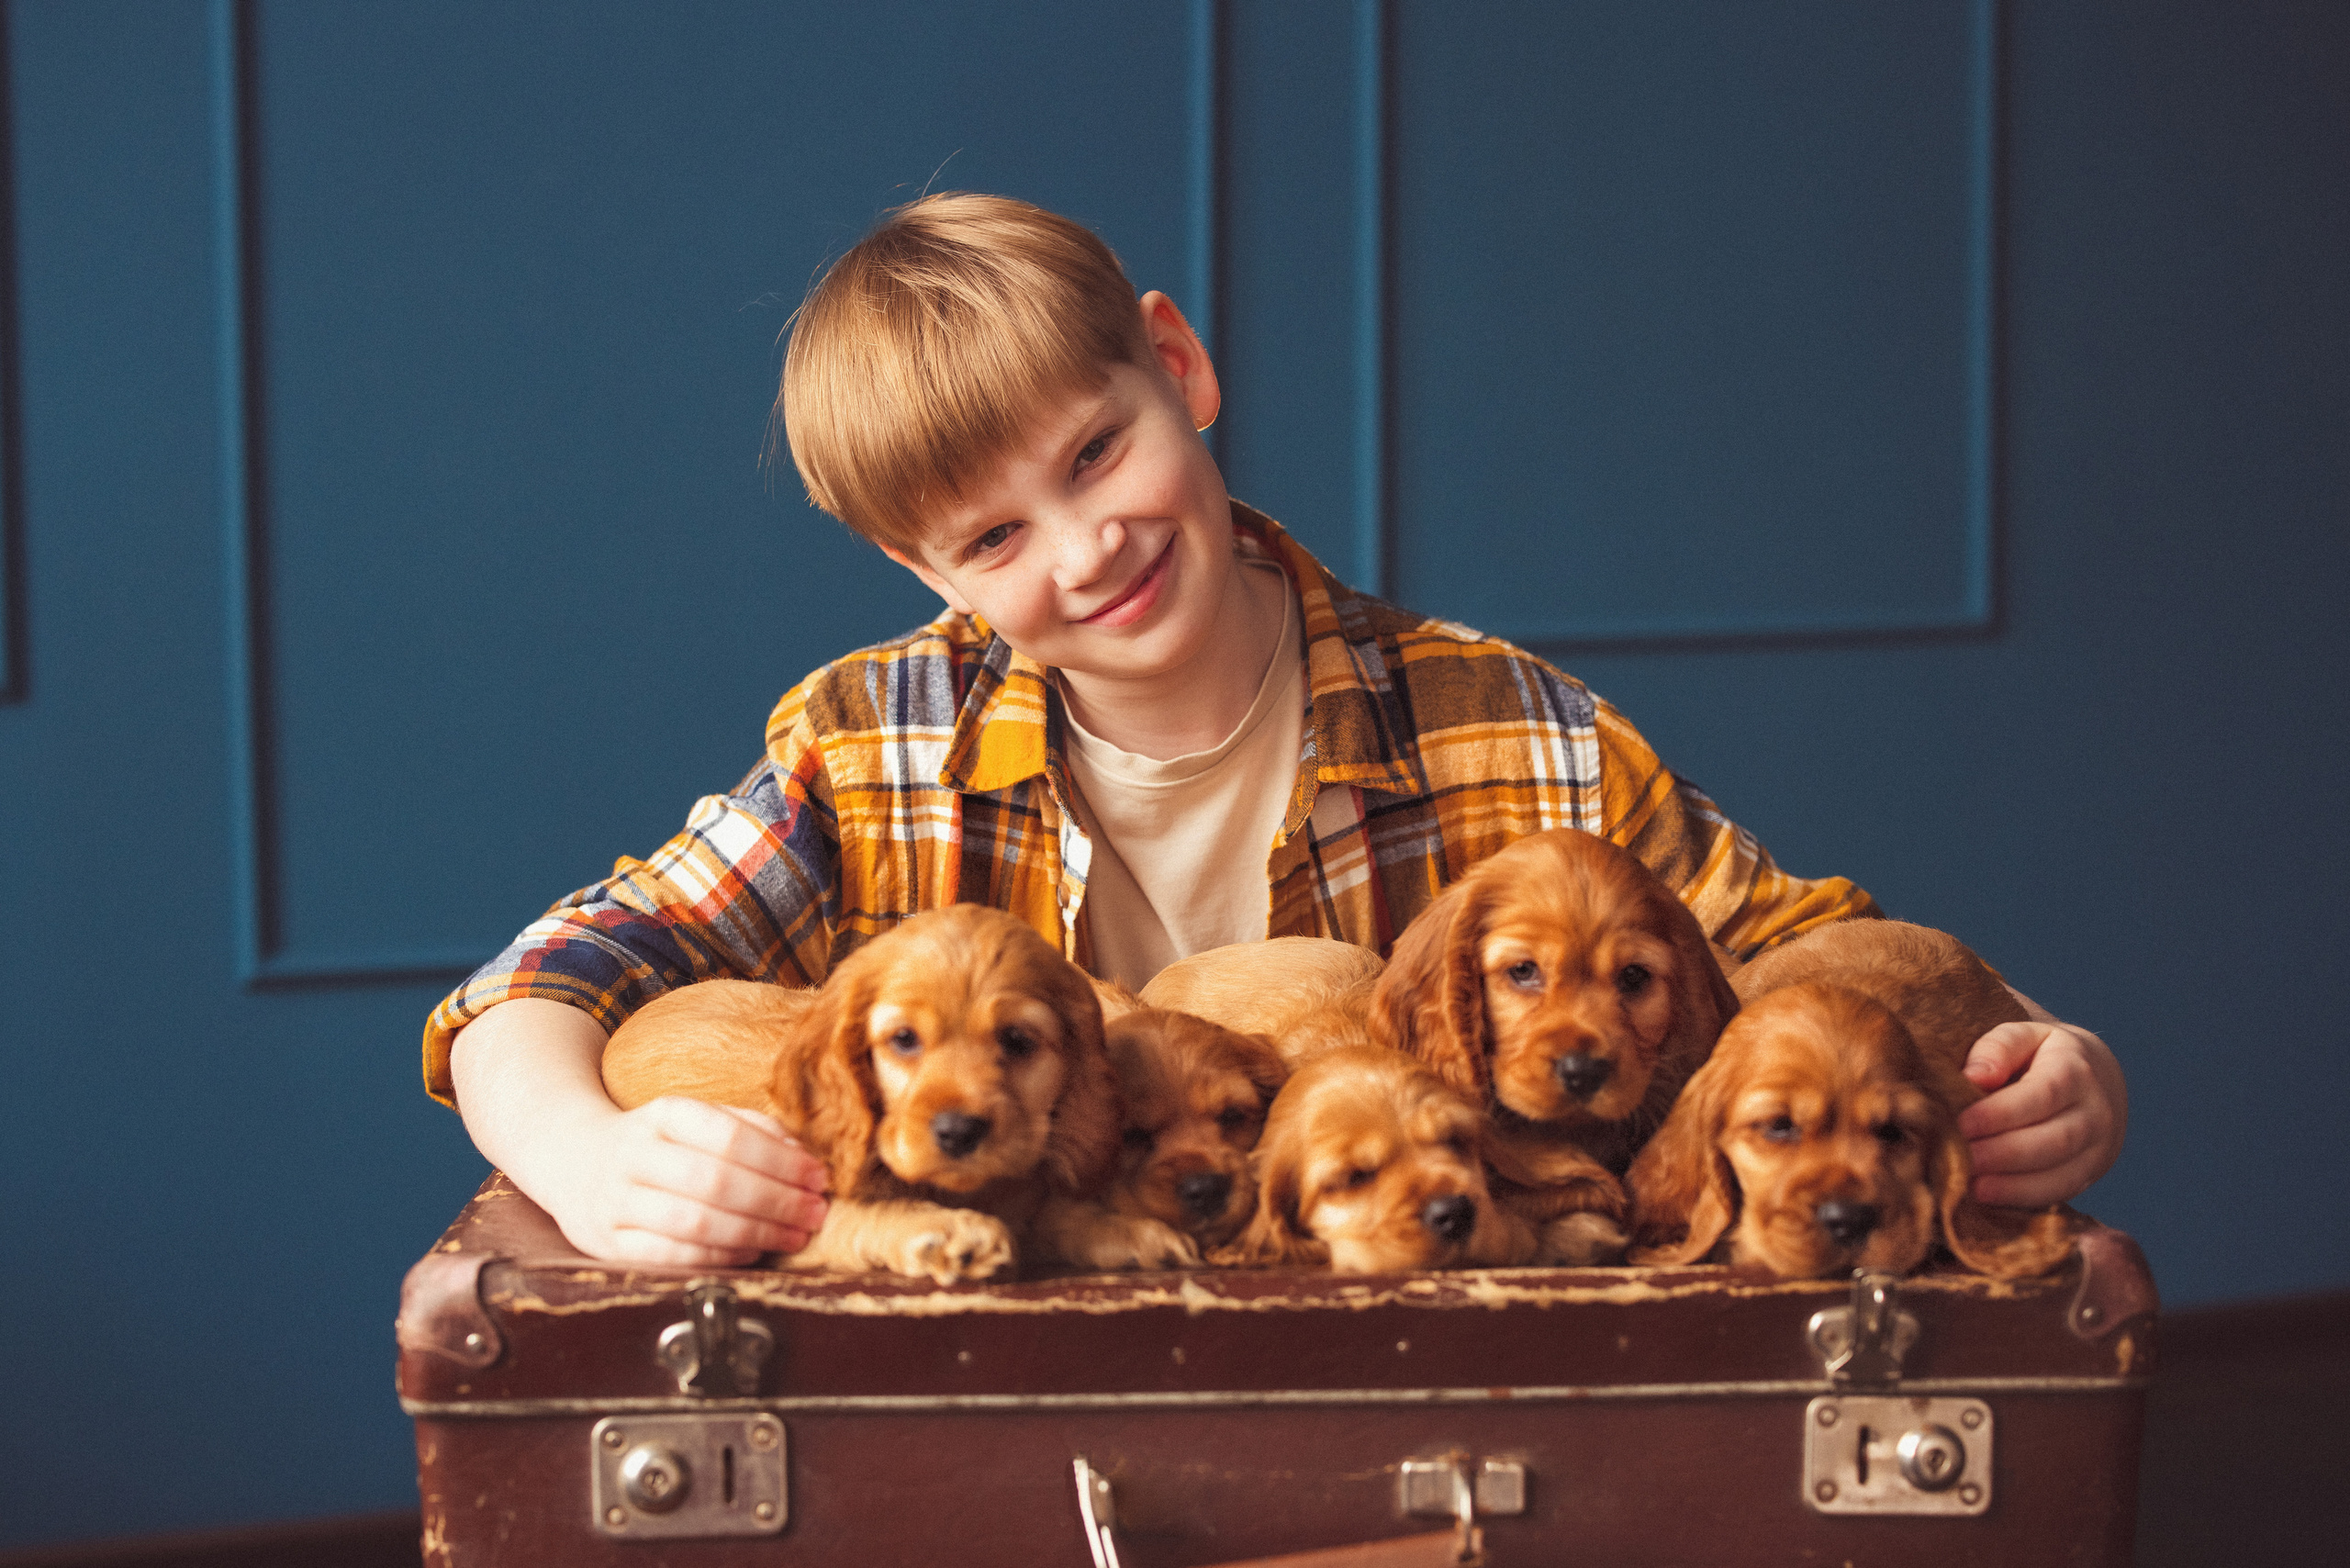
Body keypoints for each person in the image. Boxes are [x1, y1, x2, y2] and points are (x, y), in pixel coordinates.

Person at [426, 194, 2125, 1266]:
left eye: (1098, 454)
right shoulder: (869, 745)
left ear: (1179, 364)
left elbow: (1810, 961)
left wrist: (2048, 1058)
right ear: (916, 566)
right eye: (995, 538)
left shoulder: (1500, 725)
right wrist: (586, 1161)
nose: (1086, 551)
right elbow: (546, 980)